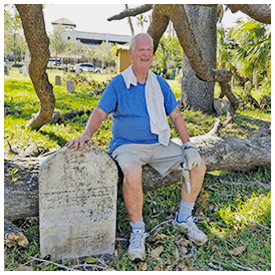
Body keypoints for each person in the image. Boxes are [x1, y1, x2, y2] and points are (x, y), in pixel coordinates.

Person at [66, 33, 207, 262]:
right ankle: (138, 231)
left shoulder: (159, 83)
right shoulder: (119, 83)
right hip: (127, 146)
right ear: (131, 53)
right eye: (140, 49)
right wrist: (86, 135)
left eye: (149, 50)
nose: (145, 53)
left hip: (157, 144)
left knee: (198, 164)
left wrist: (188, 145)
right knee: (132, 172)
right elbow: (100, 112)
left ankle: (183, 218)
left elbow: (176, 115)